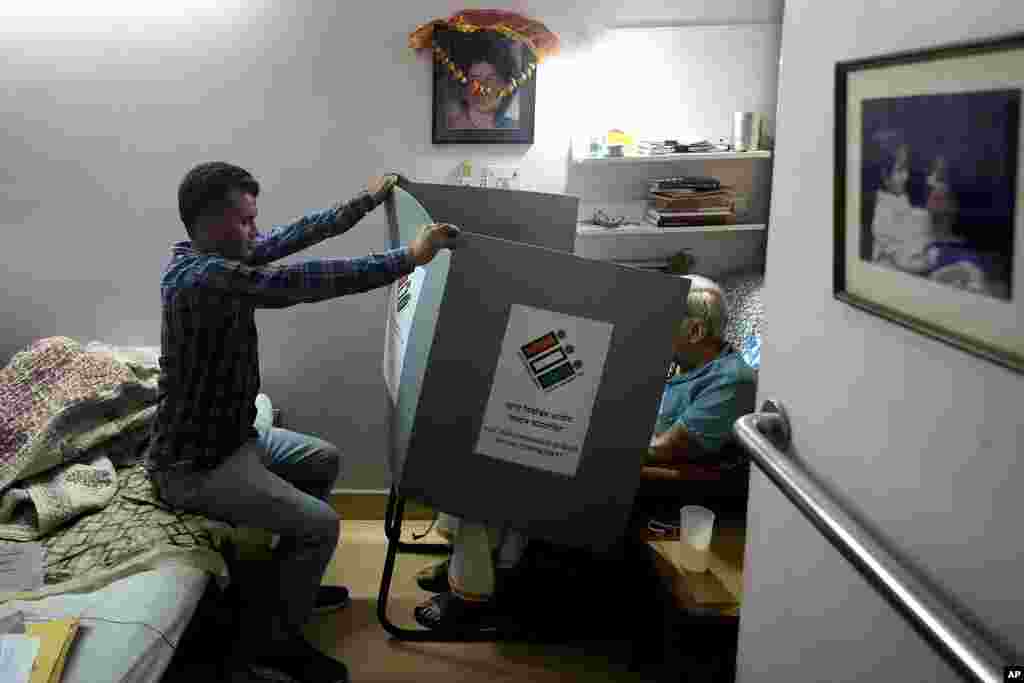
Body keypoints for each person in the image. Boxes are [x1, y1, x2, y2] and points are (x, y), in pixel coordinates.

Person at [145, 162, 459, 683]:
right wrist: (407, 258)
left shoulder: (219, 257)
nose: (254, 231)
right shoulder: (201, 279)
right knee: (321, 525)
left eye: (253, 220)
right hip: (195, 466)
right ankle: (273, 645)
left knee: (322, 459)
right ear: (206, 222)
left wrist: (361, 203)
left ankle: (289, 588)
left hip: (234, 439)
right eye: (243, 221)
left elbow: (293, 236)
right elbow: (299, 281)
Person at [413, 275, 757, 631]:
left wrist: (583, 440)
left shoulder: (729, 381)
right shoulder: (682, 360)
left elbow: (667, 449)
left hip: (646, 481)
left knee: (497, 461)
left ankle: (469, 593)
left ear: (696, 332)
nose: (655, 328)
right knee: (487, 437)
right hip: (621, 451)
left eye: (666, 320)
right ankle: (474, 562)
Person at [445, 35, 520, 130]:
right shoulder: (452, 126)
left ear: (505, 84)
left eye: (491, 79)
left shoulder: (511, 127)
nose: (483, 87)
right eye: (475, 79)